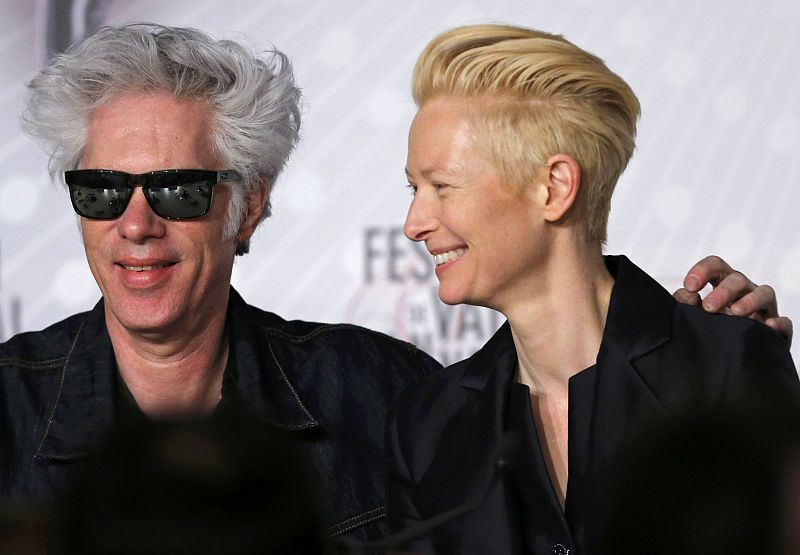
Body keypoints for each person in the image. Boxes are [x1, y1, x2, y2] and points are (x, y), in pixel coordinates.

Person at [0, 22, 788, 543]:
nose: (134, 225)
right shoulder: (6, 408)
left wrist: (708, 356)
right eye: (100, 191)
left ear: (248, 206)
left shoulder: (383, 396)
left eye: (176, 190)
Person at [384, 23, 798, 554]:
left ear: (554, 188)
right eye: (414, 189)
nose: (414, 223)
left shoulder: (727, 367)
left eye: (442, 187)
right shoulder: (424, 427)